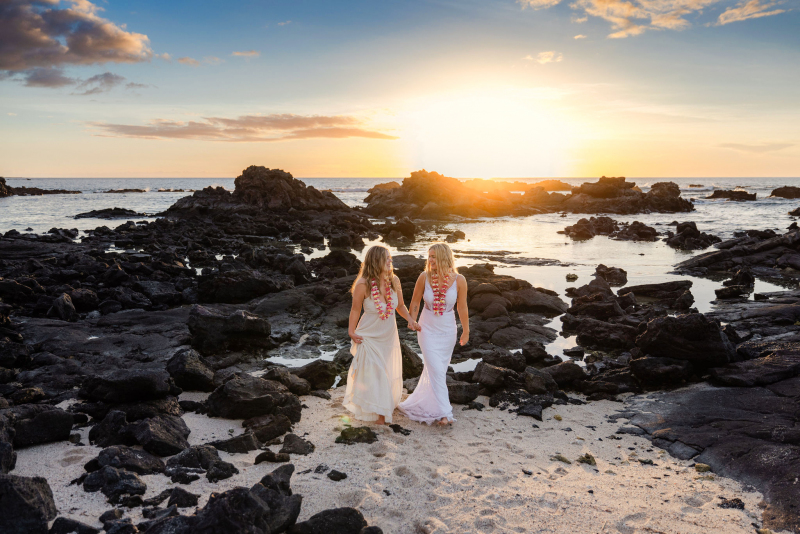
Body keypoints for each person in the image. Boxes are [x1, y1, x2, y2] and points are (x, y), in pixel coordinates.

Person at [343, 245, 417, 425]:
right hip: (368, 336)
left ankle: (381, 410)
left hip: (388, 336)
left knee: (385, 372)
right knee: (375, 373)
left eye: (390, 258)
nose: (391, 261)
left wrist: (410, 319)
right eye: (387, 258)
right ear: (376, 261)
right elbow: (355, 309)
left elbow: (399, 306)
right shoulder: (363, 284)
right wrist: (351, 331)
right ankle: (381, 418)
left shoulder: (395, 281)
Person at [399, 242, 469, 426]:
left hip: (447, 330)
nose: (430, 260)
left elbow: (462, 307)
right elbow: (415, 302)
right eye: (428, 256)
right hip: (427, 328)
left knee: (439, 370)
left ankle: (433, 405)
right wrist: (412, 320)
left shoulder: (459, 279)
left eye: (433, 257)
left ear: (443, 257)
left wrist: (466, 330)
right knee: (436, 370)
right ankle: (446, 413)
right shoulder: (424, 277)